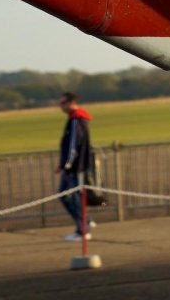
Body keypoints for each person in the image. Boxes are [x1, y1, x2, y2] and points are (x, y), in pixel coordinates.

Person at [56, 91, 95, 241]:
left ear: (72, 103)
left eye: (63, 103)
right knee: (65, 195)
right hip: (72, 167)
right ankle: (85, 222)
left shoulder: (76, 120)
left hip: (75, 167)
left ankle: (83, 230)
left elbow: (73, 145)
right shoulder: (74, 118)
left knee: (74, 198)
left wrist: (66, 165)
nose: (61, 106)